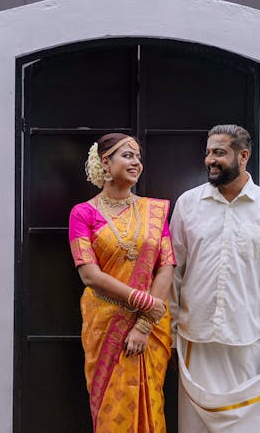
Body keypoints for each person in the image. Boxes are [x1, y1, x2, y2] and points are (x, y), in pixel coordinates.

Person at [169, 124, 260, 433]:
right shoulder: (188, 204)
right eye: (208, 153)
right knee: (193, 427)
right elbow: (173, 272)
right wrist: (169, 331)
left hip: (244, 337)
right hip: (193, 338)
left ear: (243, 156)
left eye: (219, 153)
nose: (209, 160)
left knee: (242, 426)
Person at [68, 133, 176, 432]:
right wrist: (146, 303)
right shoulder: (83, 213)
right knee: (110, 409)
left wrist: (144, 324)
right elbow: (89, 274)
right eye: (128, 155)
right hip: (105, 323)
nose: (136, 162)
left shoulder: (154, 212)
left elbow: (166, 265)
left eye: (138, 157)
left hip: (148, 327)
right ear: (105, 162)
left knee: (151, 401)